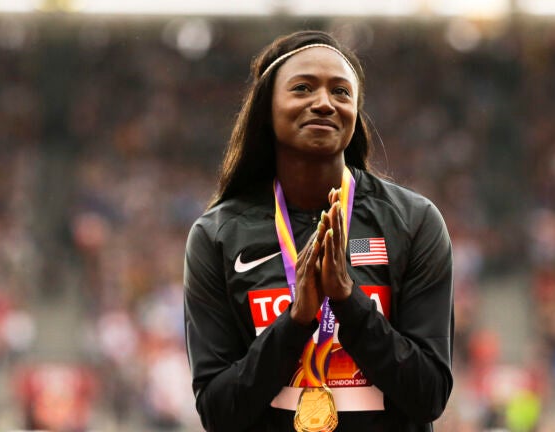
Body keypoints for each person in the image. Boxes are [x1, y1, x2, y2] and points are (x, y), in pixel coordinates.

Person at [183, 29, 454, 432]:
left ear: (355, 111)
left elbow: (429, 394)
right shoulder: (218, 235)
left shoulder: (413, 222)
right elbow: (218, 412)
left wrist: (349, 301)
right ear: (266, 108)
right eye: (303, 88)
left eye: (341, 92)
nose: (324, 103)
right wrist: (295, 321)